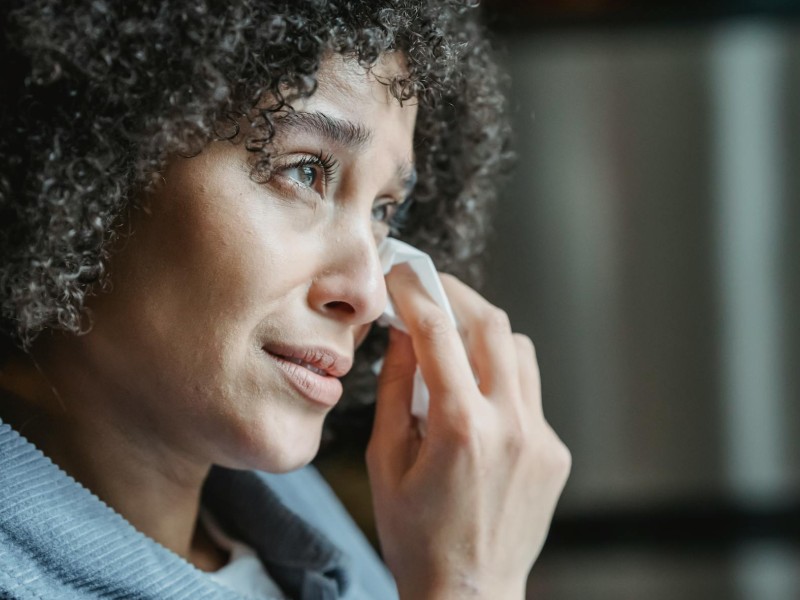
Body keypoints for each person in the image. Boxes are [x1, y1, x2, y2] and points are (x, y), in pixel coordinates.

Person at [0, 1, 571, 599]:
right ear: (97, 158)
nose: (368, 294)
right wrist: (468, 585)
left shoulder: (281, 515)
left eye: (384, 212)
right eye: (305, 171)